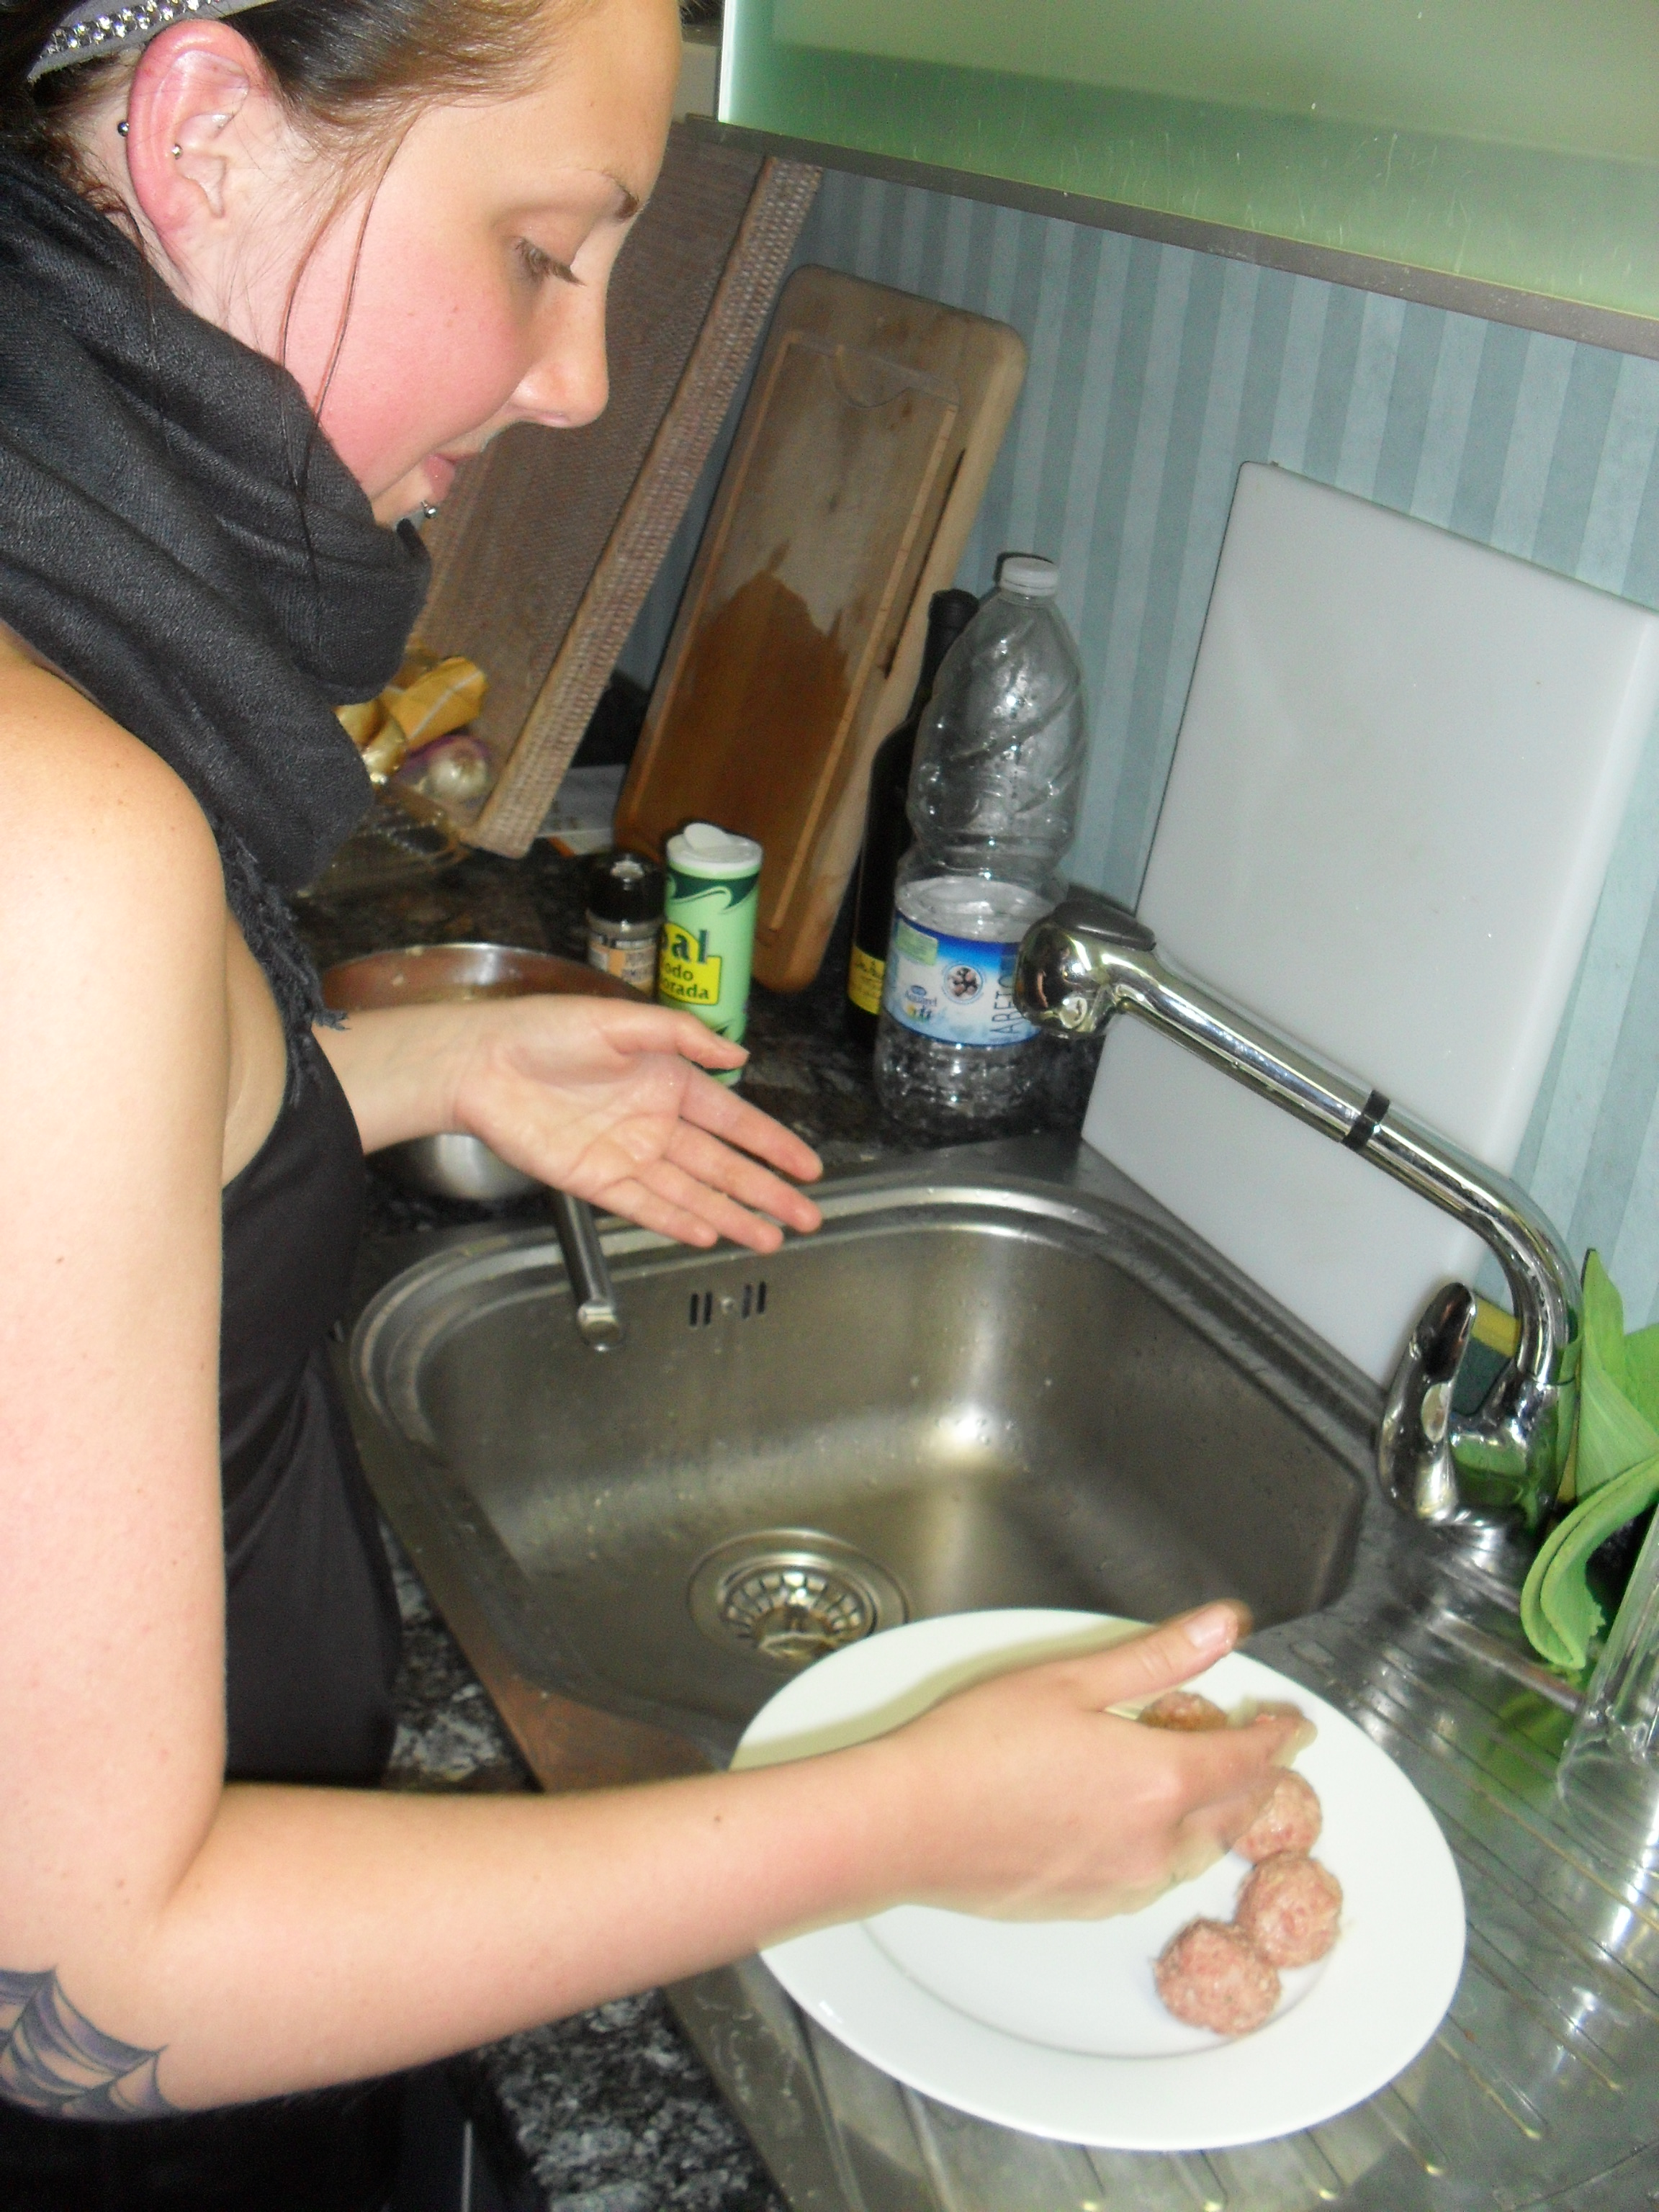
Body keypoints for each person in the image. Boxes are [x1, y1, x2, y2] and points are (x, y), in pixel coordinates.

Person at [0, 0, 1304, 2200]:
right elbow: (84, 1982)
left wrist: (402, 1067)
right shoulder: (61, 838)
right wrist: (904, 1816)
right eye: (545, 249)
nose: (581, 380)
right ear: (209, 135)